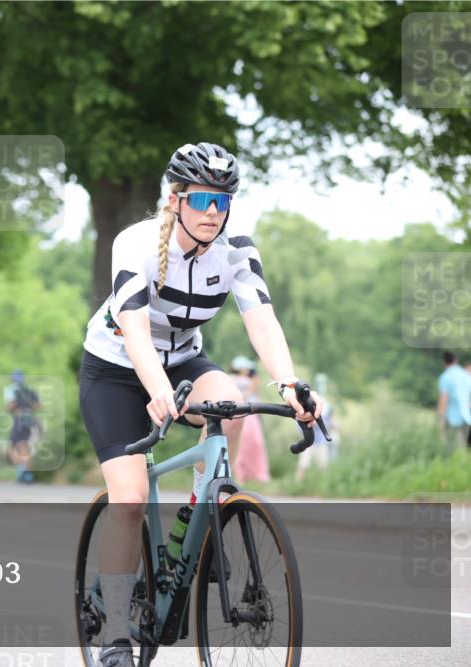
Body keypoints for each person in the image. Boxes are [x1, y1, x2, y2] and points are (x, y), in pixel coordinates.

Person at [77, 142, 323, 666]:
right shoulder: (136, 243)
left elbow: (261, 320)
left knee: (231, 405)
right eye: (203, 200)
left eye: (223, 201)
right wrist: (157, 390)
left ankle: (202, 518)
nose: (213, 212)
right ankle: (116, 634)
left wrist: (289, 385)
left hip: (184, 361)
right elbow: (137, 331)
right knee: (130, 497)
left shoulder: (236, 248)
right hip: (118, 368)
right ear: (175, 199)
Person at [229, 356, 270, 483]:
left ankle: (254, 475)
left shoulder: (248, 379)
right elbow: (245, 395)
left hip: (250, 415)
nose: (249, 370)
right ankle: (242, 476)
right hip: (244, 414)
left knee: (253, 444)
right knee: (243, 445)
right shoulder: (234, 379)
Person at [5, 370, 41, 483]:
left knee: (11, 446)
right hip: (30, 419)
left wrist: (16, 407)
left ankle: (21, 471)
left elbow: (10, 406)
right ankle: (27, 475)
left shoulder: (12, 389)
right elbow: (38, 405)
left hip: (19, 419)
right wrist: (29, 409)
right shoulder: (30, 389)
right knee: (25, 447)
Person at [437, 351, 471, 454]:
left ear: (443, 363)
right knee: (464, 447)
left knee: (452, 449)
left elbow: (444, 399)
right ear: (456, 360)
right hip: (467, 416)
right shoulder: (466, 375)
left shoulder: (445, 377)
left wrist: (440, 420)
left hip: (452, 418)